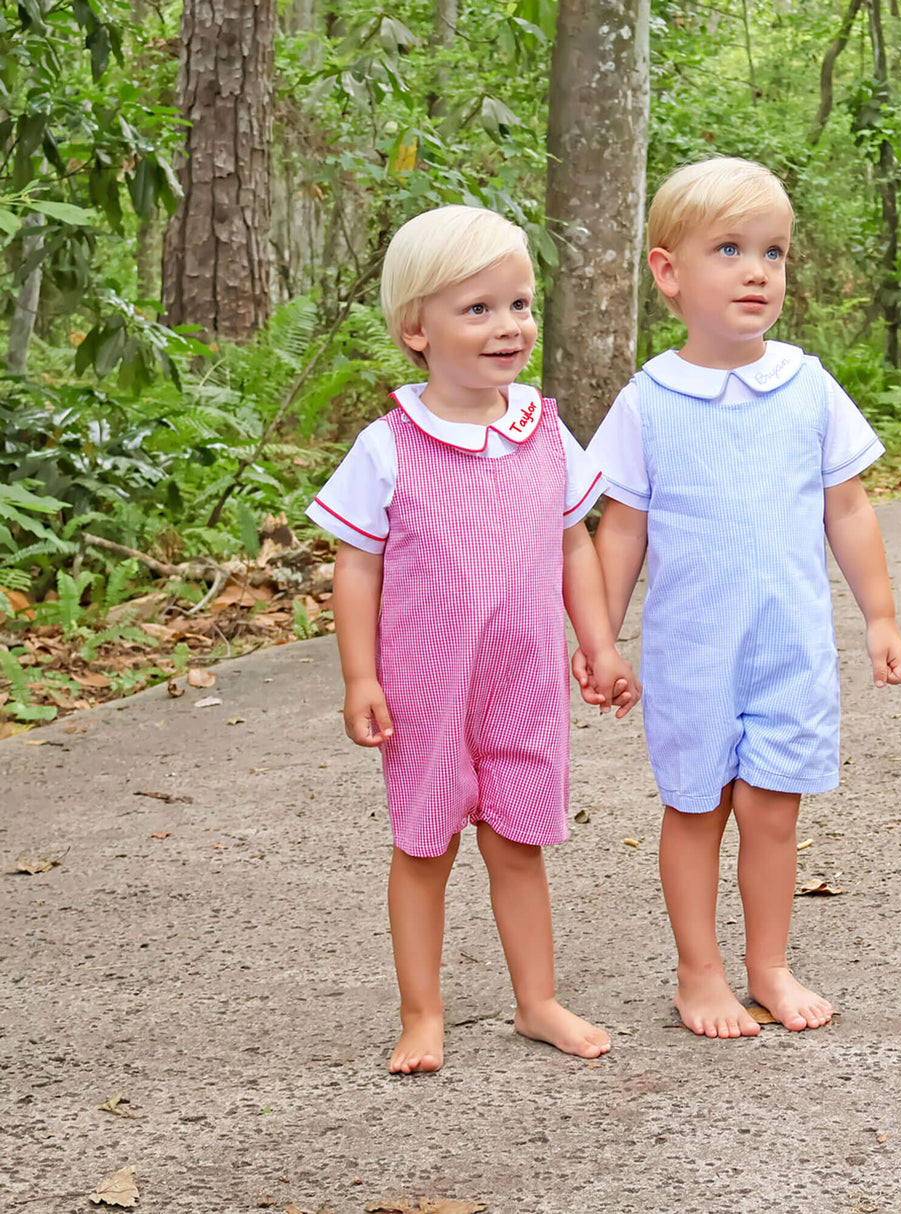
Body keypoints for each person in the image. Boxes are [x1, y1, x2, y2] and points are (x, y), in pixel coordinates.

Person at [578, 158, 901, 1039]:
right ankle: (701, 972)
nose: (758, 269)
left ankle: (769, 964)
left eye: (774, 251)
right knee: (696, 807)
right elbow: (620, 529)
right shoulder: (648, 403)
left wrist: (877, 613)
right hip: (691, 652)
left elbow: (848, 505)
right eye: (730, 249)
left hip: (788, 646)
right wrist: (600, 639)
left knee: (771, 809)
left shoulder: (806, 386)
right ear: (669, 272)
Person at [306, 205, 638, 1074]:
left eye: (521, 305)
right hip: (424, 685)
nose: (510, 326)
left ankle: (538, 1002)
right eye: (479, 308)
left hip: (523, 677)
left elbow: (573, 543)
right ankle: (423, 1013)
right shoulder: (388, 446)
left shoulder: (541, 429)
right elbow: (358, 565)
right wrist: (358, 676)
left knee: (517, 841)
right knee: (425, 844)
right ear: (416, 327)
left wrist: (599, 642)